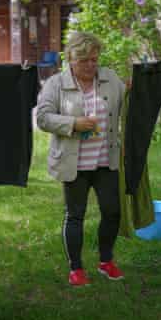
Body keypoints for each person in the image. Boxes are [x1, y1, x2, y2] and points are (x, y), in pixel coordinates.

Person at [36, 32, 127, 286]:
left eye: (94, 60)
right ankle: (76, 269)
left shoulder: (110, 79)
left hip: (105, 160)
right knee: (75, 215)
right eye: (84, 60)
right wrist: (73, 123)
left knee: (112, 212)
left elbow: (127, 102)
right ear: (71, 59)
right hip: (73, 163)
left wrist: (132, 88)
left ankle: (106, 261)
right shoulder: (56, 83)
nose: (90, 65)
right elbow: (42, 117)